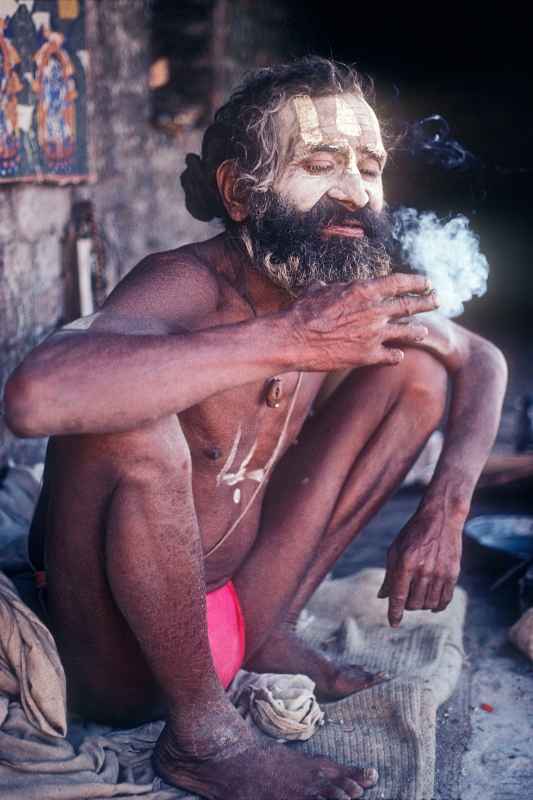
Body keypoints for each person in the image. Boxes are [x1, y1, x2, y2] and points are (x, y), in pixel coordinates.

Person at [4, 57, 507, 800]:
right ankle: (204, 737)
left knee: (416, 375)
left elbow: (482, 360)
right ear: (241, 193)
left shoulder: (342, 289)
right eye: (320, 164)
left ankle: (273, 633)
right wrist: (291, 339)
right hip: (117, 661)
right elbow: (35, 399)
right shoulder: (186, 283)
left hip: (241, 616)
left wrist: (446, 507)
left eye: (369, 168)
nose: (354, 190)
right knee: (130, 423)